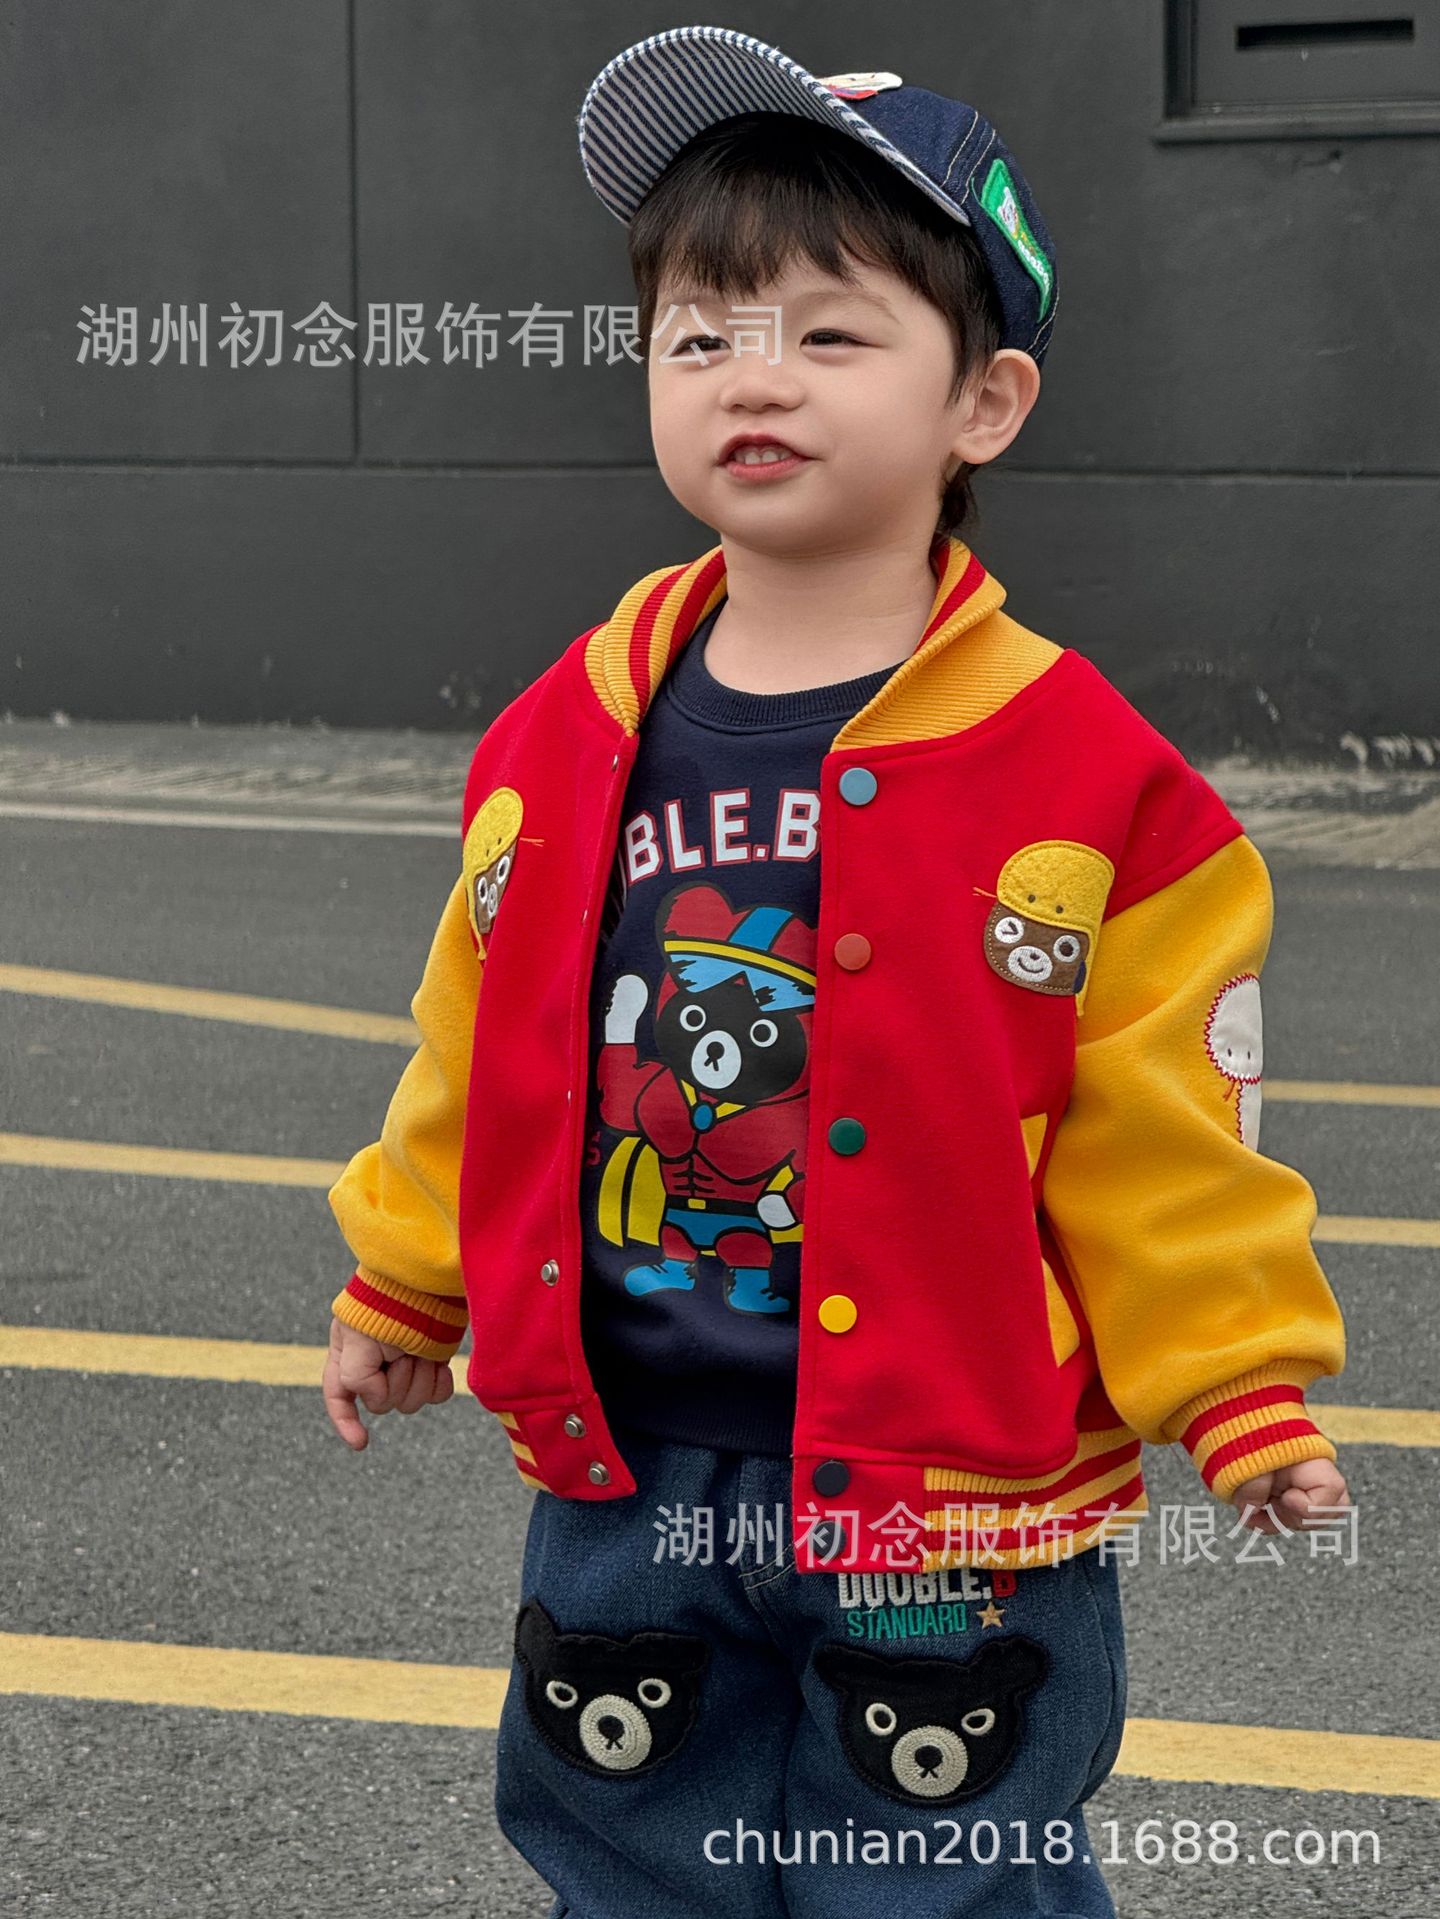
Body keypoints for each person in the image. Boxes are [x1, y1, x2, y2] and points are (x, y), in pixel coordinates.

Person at [320, 27, 1349, 1918]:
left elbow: (1165, 1127)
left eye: (828, 330)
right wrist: (409, 1272)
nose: (753, 374)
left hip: (950, 1499)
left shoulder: (1093, 782)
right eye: (699, 335)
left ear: (986, 402)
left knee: (942, 1872)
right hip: (630, 1472)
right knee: (631, 1856)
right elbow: (485, 1045)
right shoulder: (565, 731)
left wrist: (1239, 1382)